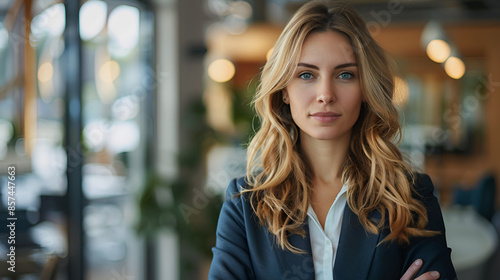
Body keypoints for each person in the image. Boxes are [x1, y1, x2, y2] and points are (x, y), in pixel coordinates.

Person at [209, 1, 457, 279]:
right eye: (306, 75)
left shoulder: (410, 197)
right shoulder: (244, 205)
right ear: (284, 91)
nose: (325, 94)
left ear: (365, 88)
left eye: (344, 75)